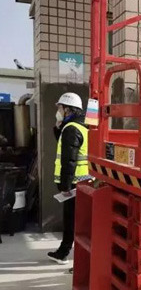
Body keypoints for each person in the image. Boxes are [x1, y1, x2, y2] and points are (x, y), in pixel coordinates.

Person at [47, 93, 89, 264]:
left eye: (60, 107)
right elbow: (66, 146)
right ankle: (65, 252)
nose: (58, 111)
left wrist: (65, 186)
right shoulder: (80, 126)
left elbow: (69, 160)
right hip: (83, 181)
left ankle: (65, 253)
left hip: (73, 183)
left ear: (68, 109)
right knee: (76, 219)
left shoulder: (71, 129)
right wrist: (58, 128)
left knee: (71, 220)